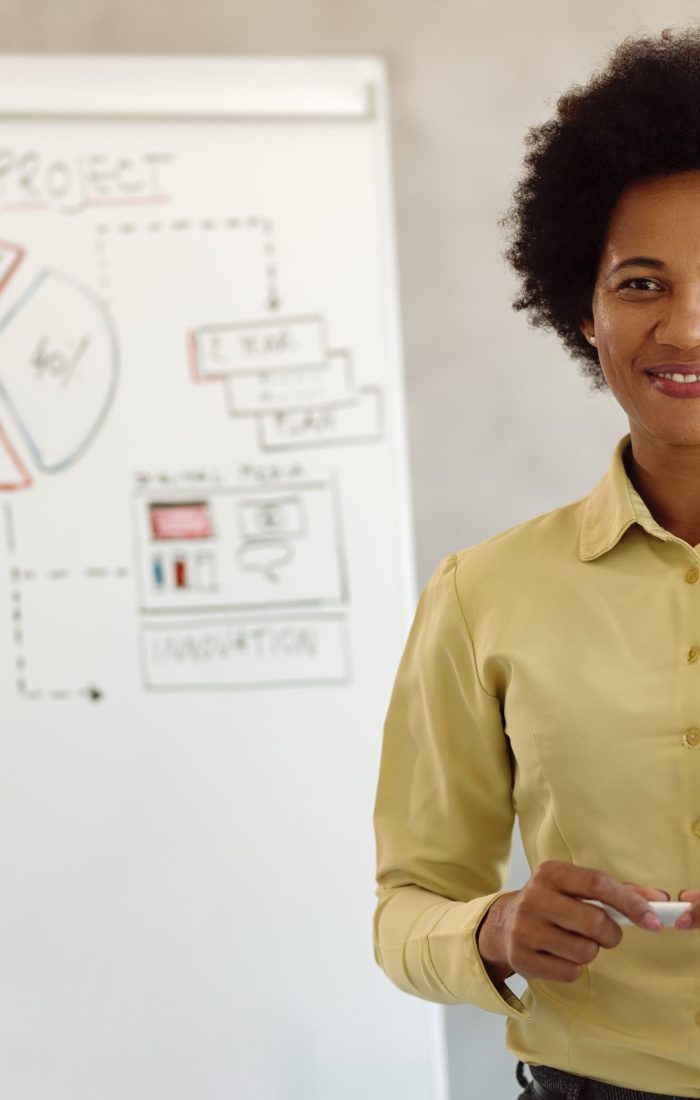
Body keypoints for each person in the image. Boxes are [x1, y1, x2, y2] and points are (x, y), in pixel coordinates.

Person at [373, 27, 700, 1100]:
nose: (684, 325)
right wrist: (496, 926)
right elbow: (408, 902)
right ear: (583, 309)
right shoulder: (486, 594)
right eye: (643, 282)